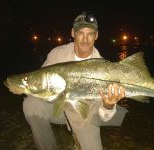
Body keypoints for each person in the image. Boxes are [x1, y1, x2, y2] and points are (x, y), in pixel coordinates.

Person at [23, 11, 128, 150]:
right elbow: (41, 82)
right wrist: (24, 86)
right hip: (58, 108)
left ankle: (80, 136)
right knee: (31, 104)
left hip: (85, 116)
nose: (85, 39)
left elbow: (103, 117)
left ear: (96, 35)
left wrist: (108, 106)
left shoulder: (103, 68)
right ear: (73, 33)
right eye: (80, 33)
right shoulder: (57, 54)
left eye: (90, 33)